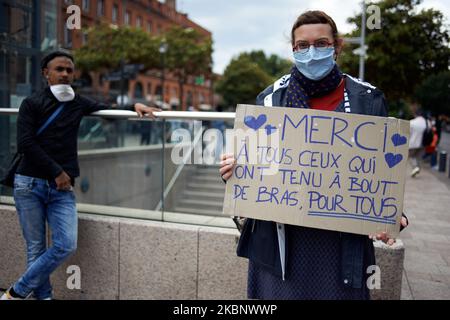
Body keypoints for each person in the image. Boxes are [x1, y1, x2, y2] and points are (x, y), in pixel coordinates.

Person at [219, 11, 409, 300]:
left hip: (341, 245)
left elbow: (379, 167)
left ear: (337, 46)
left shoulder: (368, 99)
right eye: (302, 46)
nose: (311, 52)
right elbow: (257, 167)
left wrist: (388, 213)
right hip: (283, 243)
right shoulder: (270, 99)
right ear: (293, 49)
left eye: (321, 43)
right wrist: (236, 170)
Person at [0, 50, 160, 300]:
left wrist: (133, 106)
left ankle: (17, 292)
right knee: (36, 248)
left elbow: (106, 108)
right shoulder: (32, 103)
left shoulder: (78, 103)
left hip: (62, 189)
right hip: (29, 183)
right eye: (59, 69)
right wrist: (57, 172)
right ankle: (44, 297)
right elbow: (26, 144)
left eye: (69, 70)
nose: (65, 74)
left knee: (65, 244)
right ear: (46, 73)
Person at [408, 108, 428, 177]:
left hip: (413, 143)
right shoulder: (427, 122)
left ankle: (415, 167)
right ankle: (417, 168)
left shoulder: (412, 122)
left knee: (411, 156)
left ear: (416, 114)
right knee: (418, 157)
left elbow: (408, 133)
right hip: (423, 143)